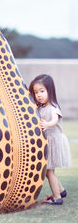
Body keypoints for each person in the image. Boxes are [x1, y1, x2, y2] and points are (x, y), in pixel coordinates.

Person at [29, 74, 72, 205]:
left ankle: (57, 196)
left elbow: (55, 119)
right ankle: (61, 190)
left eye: (42, 91)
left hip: (54, 141)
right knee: (49, 171)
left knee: (49, 171)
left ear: (50, 91)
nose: (39, 95)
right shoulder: (40, 107)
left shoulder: (53, 107)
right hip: (49, 142)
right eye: (36, 92)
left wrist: (48, 124)